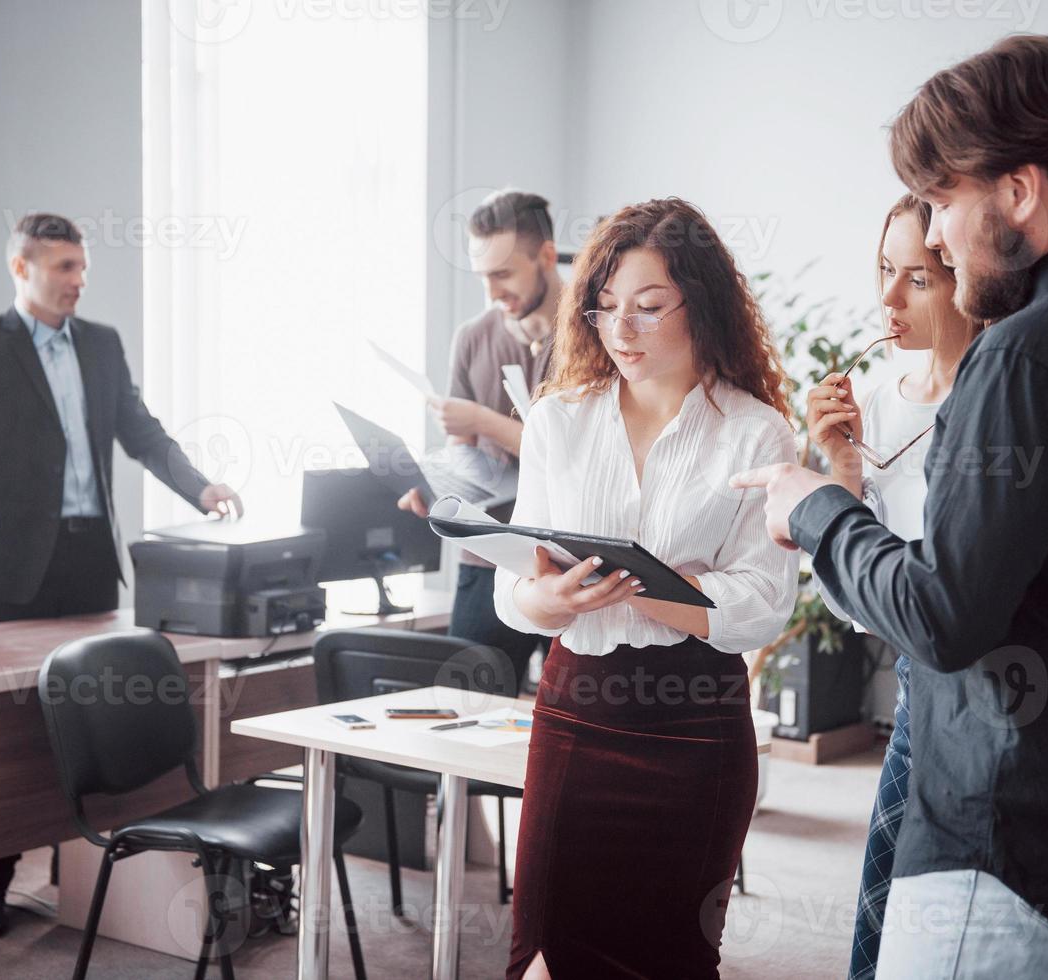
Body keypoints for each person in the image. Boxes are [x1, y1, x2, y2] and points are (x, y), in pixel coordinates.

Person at [734, 36, 1048, 980]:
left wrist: (813, 508)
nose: (930, 235)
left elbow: (943, 615)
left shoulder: (1025, 352)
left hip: (1009, 851)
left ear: (1017, 190)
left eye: (939, 201)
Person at [0, 212, 242, 939]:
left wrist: (201, 488)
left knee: (96, 717)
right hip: (11, 570)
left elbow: (141, 432)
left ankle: (81, 873)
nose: (77, 282)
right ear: (20, 268)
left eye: (81, 268)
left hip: (90, 561)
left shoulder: (101, 345)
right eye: (62, 268)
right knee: (2, 734)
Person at [492, 197, 799, 979]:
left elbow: (762, 605)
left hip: (695, 727)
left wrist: (641, 589)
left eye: (648, 307)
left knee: (668, 957)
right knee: (544, 958)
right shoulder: (558, 421)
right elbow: (513, 589)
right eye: (604, 310)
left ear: (701, 302)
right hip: (575, 709)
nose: (620, 331)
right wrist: (549, 603)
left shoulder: (754, 430)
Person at [805, 194, 981, 980]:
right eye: (884, 270)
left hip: (982, 681)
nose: (887, 299)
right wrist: (840, 476)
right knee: (883, 894)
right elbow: (852, 604)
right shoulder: (875, 404)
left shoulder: (1000, 397)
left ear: (965, 279)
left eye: (916, 278)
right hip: (918, 684)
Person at [399, 190, 559, 686]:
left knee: (580, 722)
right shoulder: (473, 337)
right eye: (483, 276)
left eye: (504, 273)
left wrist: (483, 421)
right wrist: (438, 488)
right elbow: (464, 457)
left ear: (547, 257)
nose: (492, 291)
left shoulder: (597, 333)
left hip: (571, 559)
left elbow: (572, 460)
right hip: (489, 553)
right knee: (467, 709)